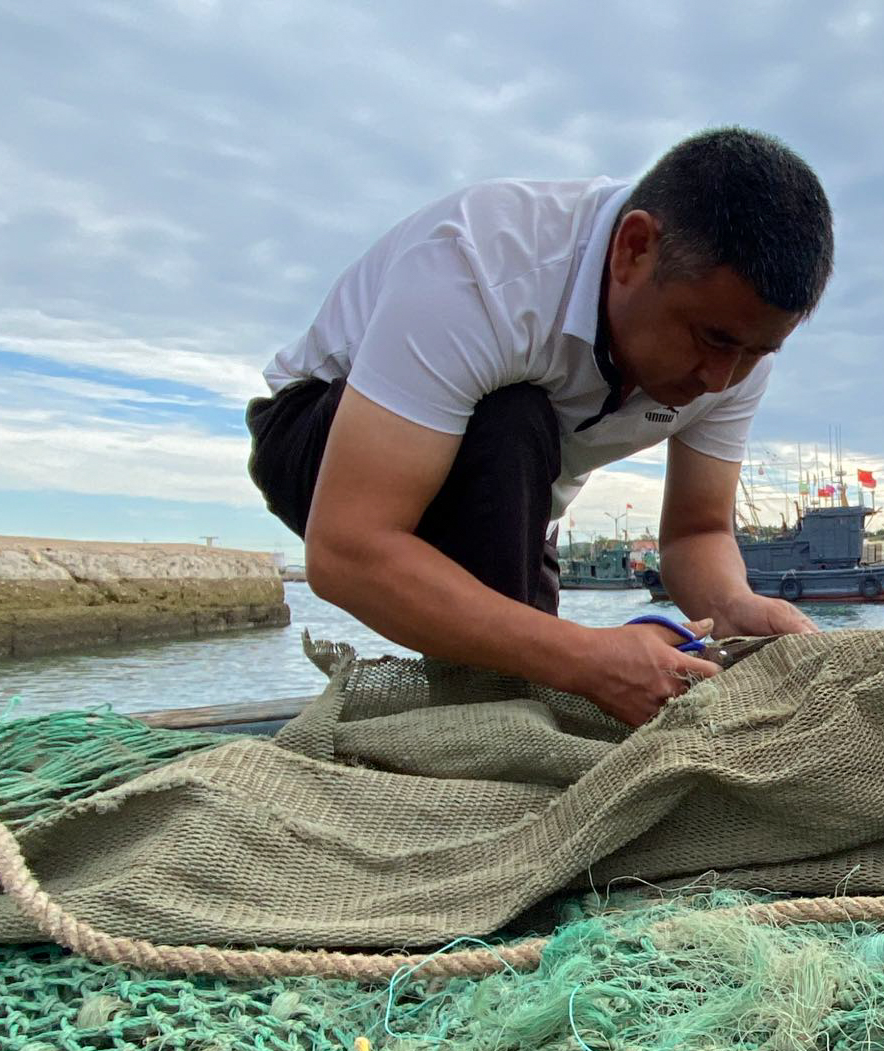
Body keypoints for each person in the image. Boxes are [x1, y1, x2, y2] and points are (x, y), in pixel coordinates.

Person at [245, 127, 833, 725]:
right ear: (633, 250)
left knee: (534, 647)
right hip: (319, 436)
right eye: (712, 340)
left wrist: (732, 606)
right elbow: (346, 549)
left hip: (523, 498)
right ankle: (485, 721)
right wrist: (585, 658)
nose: (719, 379)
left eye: (757, 352)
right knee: (513, 419)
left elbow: (696, 533)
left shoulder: (736, 341)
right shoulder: (479, 268)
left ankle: (502, 709)